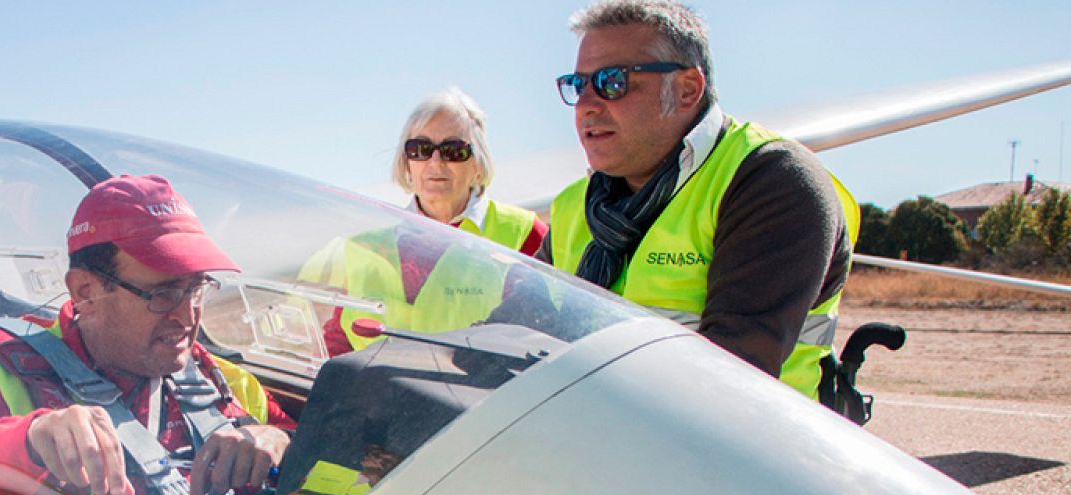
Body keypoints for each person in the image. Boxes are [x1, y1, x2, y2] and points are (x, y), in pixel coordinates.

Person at [0, 175, 295, 495]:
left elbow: (299, 437)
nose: (187, 316)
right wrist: (32, 440)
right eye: (163, 294)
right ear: (86, 292)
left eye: (196, 289)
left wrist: (277, 441)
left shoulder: (217, 377)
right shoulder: (9, 366)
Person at [541, 0, 856, 400]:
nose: (586, 105)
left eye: (612, 82)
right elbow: (520, 330)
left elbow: (729, 379)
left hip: (747, 452)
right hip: (606, 436)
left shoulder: (772, 180)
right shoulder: (573, 205)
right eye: (577, 85)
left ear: (687, 89)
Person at [314, 88, 548, 357]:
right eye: (420, 149)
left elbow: (552, 334)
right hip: (380, 396)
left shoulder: (525, 234)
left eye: (453, 150)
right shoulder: (364, 247)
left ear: (478, 165)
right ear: (406, 163)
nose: (435, 162)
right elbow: (338, 345)